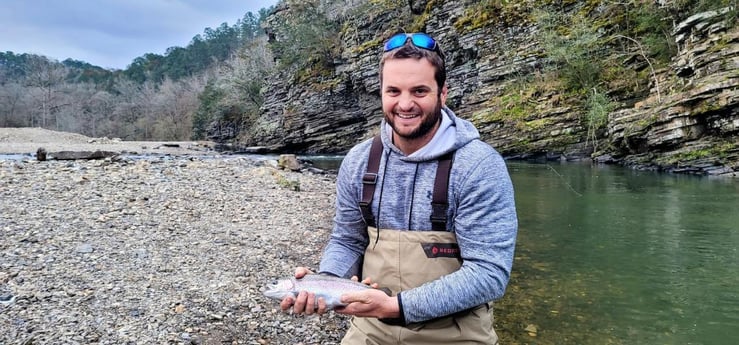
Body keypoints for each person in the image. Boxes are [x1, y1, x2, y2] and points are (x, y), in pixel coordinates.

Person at [280, 32, 518, 344]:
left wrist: (395, 307)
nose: (405, 104)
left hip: (456, 334)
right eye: (393, 91)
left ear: (443, 93)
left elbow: (489, 275)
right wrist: (326, 282)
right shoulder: (359, 161)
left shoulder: (478, 166)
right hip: (372, 330)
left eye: (420, 91)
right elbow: (347, 241)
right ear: (381, 92)